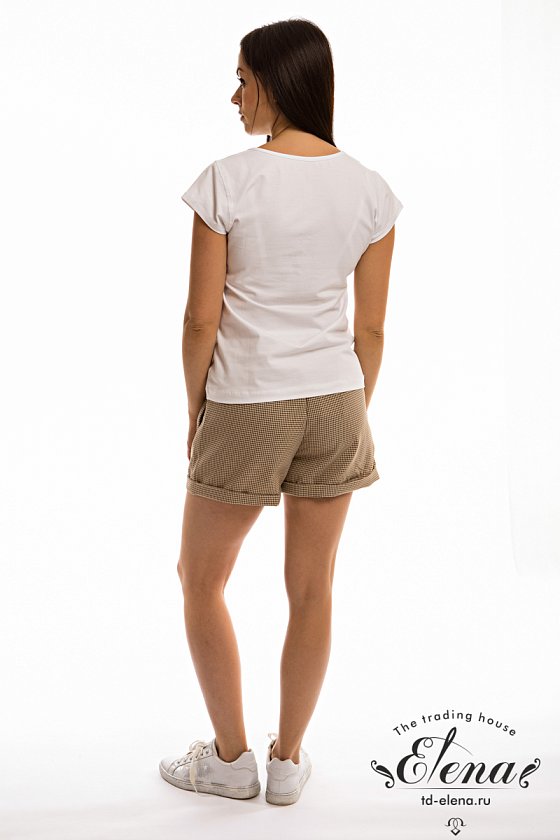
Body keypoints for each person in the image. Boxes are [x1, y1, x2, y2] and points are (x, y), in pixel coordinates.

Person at [159, 18, 403, 806]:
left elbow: (200, 320)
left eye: (242, 80)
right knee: (313, 587)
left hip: (247, 400)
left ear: (277, 80)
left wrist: (196, 409)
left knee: (200, 578)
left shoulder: (228, 182)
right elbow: (371, 330)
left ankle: (231, 761)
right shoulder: (370, 190)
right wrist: (352, 409)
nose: (234, 97)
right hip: (336, 401)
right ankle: (289, 762)